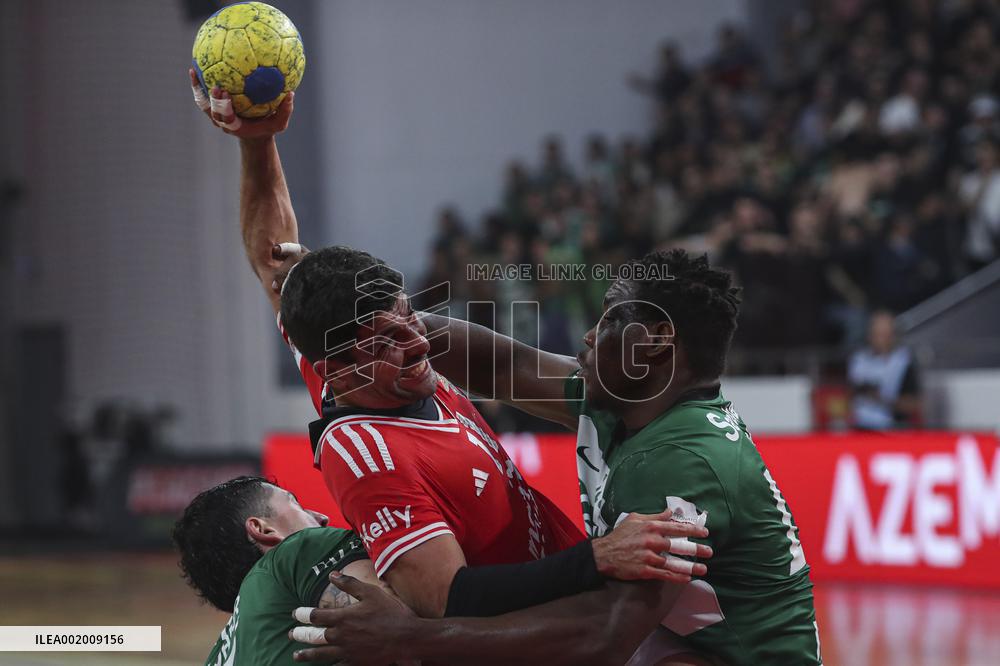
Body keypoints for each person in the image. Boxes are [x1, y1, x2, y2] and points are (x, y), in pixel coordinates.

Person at [190, 74, 715, 663]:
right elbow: (447, 599)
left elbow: (273, 260)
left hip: (585, 610)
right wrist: (595, 558)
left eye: (408, 317)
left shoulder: (354, 366)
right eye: (385, 341)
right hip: (540, 645)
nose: (416, 344)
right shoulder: (367, 458)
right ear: (337, 370)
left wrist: (256, 141)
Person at [292, 249, 821, 665]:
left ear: (657, 342)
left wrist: (411, 637)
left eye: (611, 319)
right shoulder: (625, 402)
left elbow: (602, 639)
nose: (589, 334)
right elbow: (503, 366)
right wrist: (353, 304)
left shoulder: (678, 463)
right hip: (670, 641)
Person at [172, 476, 374, 666]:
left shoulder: (219, 657)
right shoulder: (295, 551)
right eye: (296, 505)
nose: (322, 518)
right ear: (264, 529)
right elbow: (393, 613)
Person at [848, 310, 921, 429]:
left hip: (891, 428)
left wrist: (881, 399)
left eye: (885, 335)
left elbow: (914, 404)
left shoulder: (903, 362)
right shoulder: (858, 360)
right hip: (859, 428)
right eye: (877, 334)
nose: (880, 340)